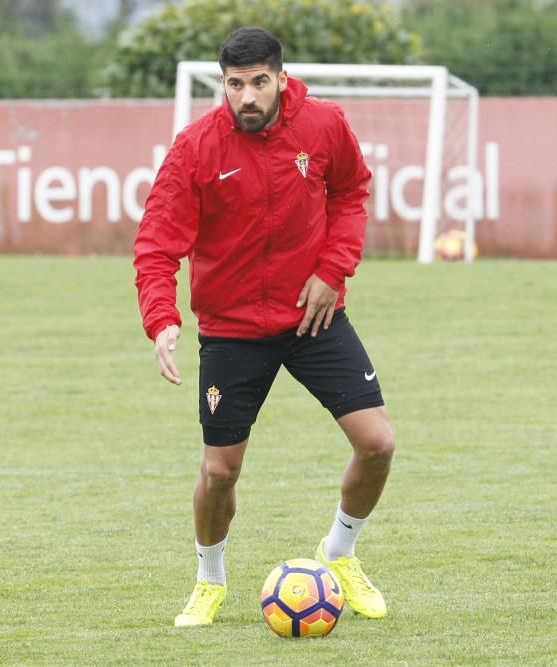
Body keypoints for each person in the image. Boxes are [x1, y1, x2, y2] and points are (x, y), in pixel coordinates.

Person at [133, 26, 395, 627]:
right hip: (231, 328)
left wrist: (333, 269)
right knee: (220, 470)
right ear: (222, 85)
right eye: (234, 85)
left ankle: (341, 553)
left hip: (313, 317)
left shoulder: (323, 125)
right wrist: (162, 319)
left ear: (280, 78)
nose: (246, 97)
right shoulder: (196, 147)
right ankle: (209, 578)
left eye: (257, 83)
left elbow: (352, 192)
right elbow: (156, 244)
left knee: (378, 444)